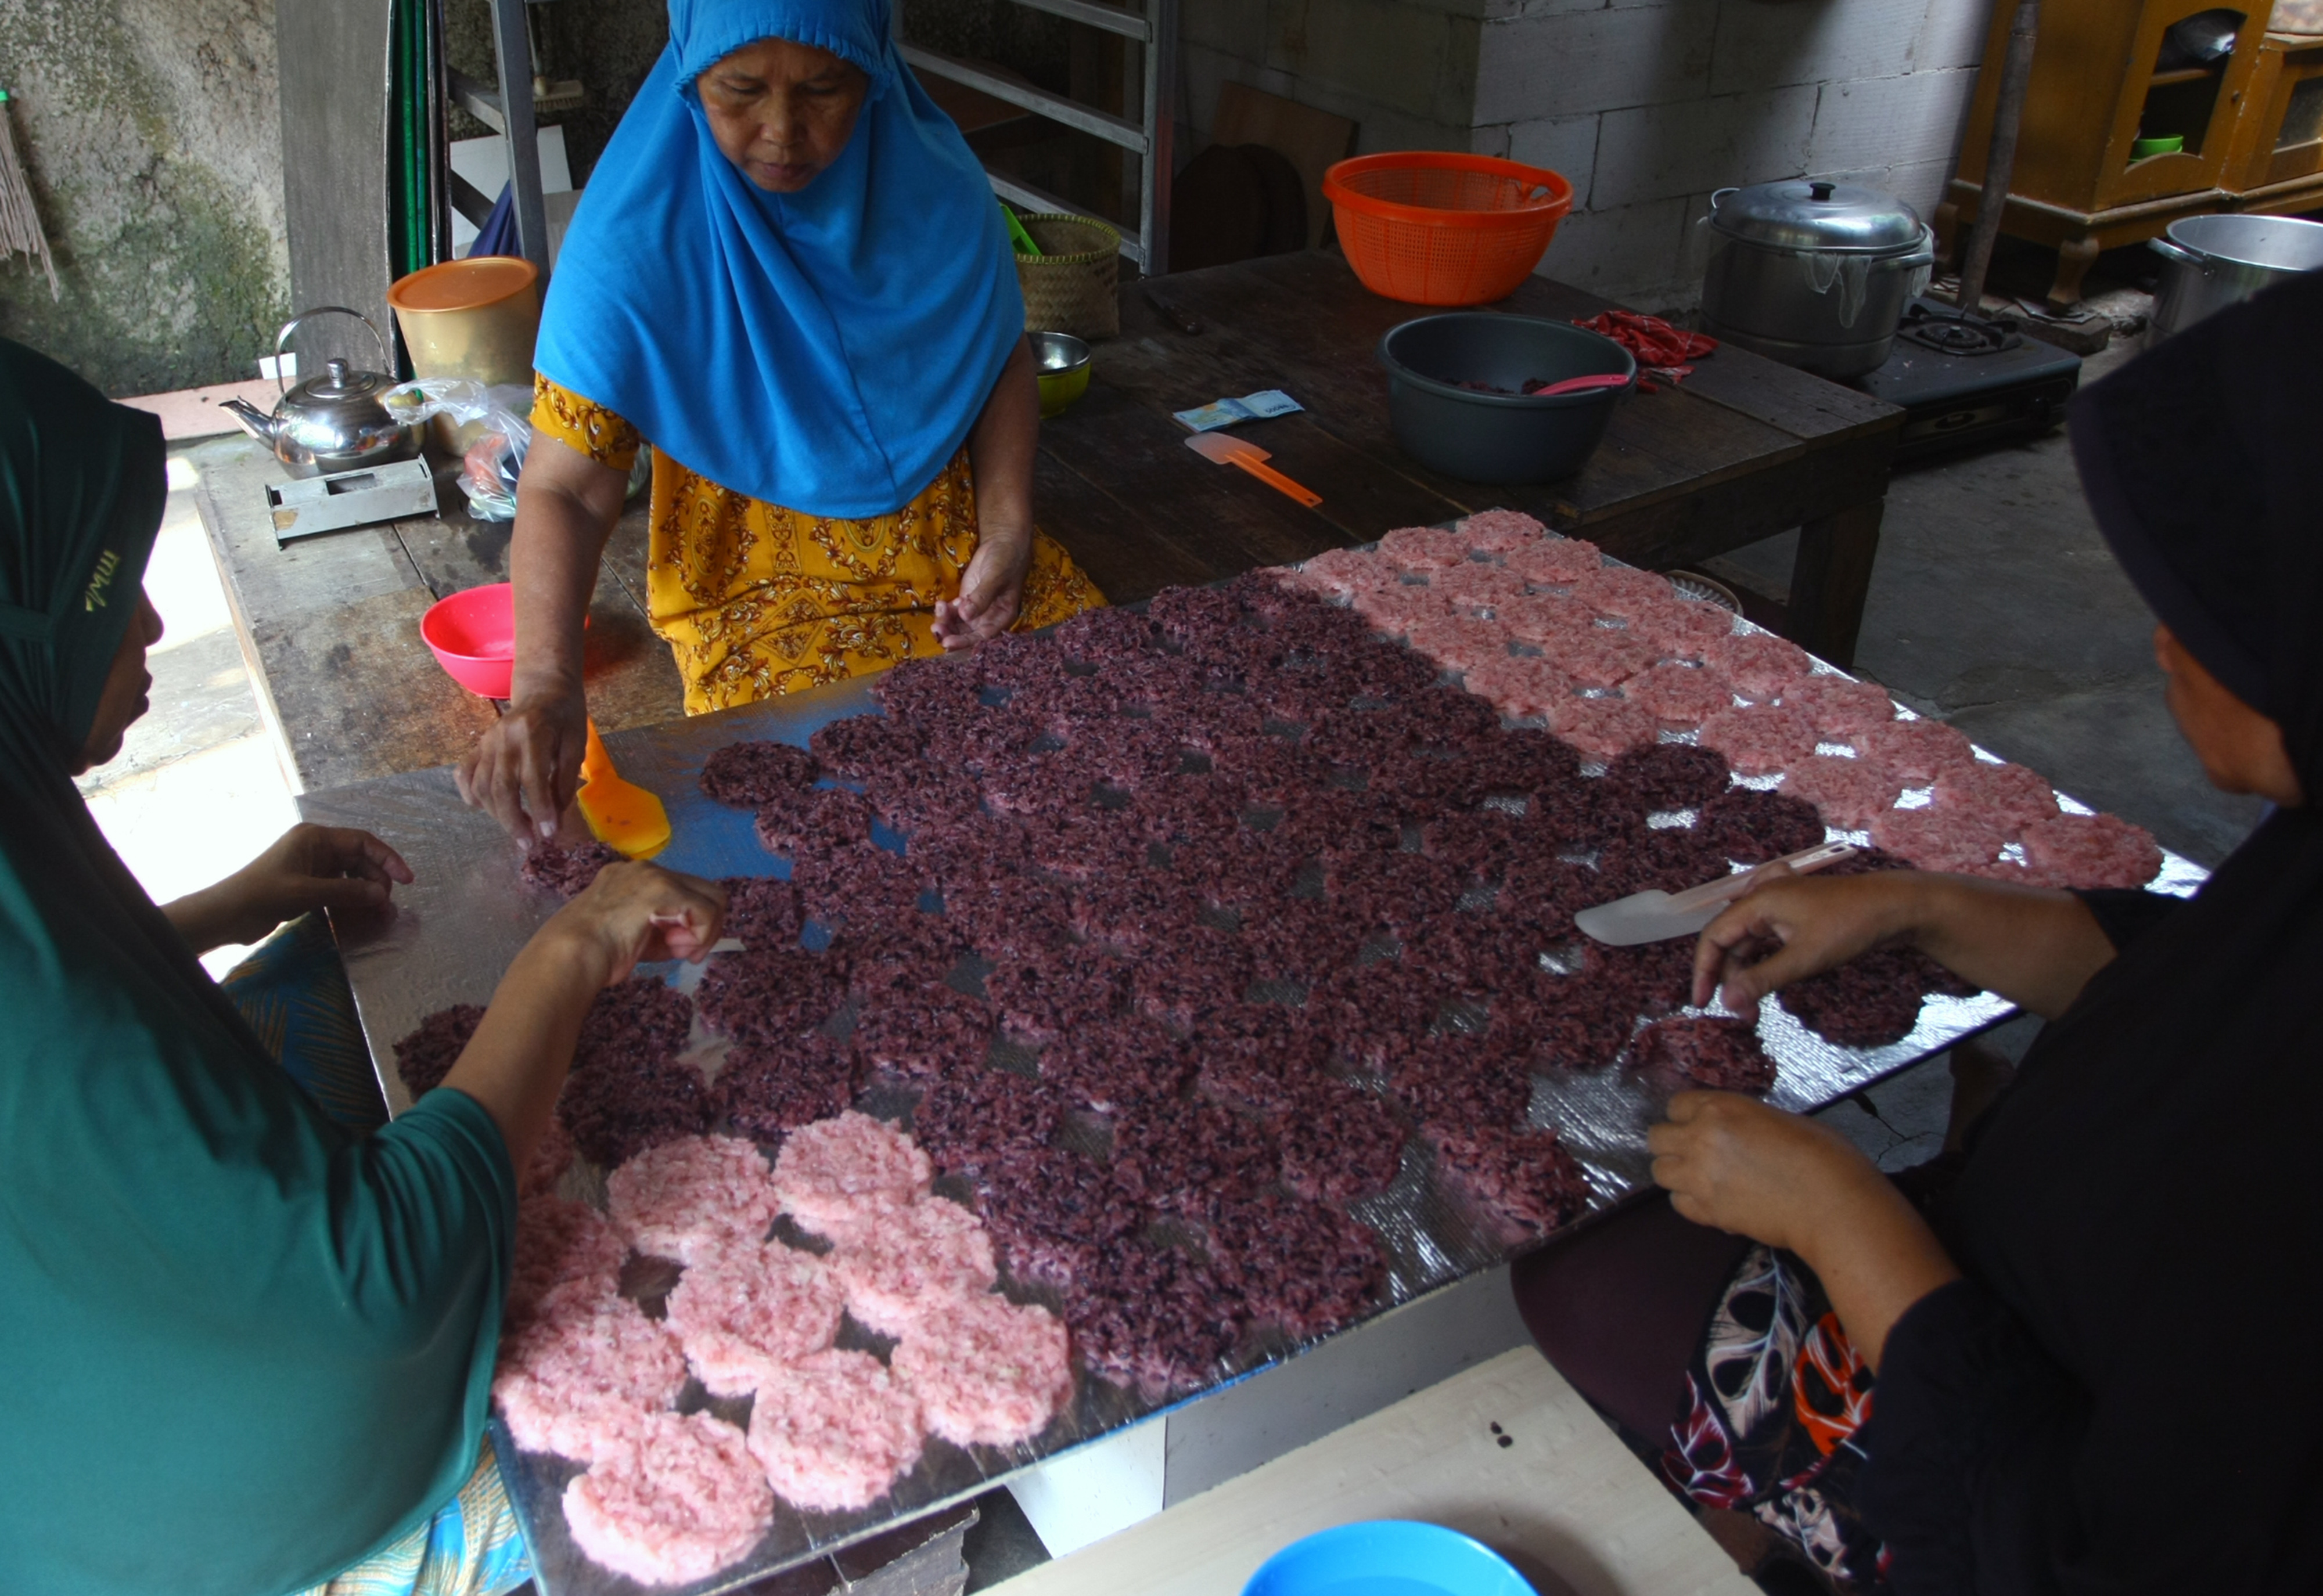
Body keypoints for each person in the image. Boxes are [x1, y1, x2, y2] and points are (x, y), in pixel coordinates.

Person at [1513, 269, 2323, 1592]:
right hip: (2019, 1281)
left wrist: (1837, 1214)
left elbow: (2069, 1544)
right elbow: (2185, 987)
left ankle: (1784, 1539)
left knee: (1587, 1278)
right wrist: (1925, 904)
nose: (2162, 642)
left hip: (2006, 1479)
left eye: (2216, 610)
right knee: (1589, 1256)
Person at [0, 335, 728, 1596]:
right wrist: (573, 946)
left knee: (300, 971)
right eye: (111, 590)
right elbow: (379, 1281)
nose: (157, 628)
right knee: (614, 1456)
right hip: (178, 1516)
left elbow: (52, 1044)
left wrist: (218, 911)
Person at [460, 0, 1104, 847]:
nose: (781, 131)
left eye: (824, 88)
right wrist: (547, 683)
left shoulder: (932, 183)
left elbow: (995, 359)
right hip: (771, 601)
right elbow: (568, 490)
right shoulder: (639, 238)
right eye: (739, 89)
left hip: (958, 571)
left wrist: (1009, 533)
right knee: (834, 823)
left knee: (1103, 733)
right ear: (692, 74)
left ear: (873, 68)